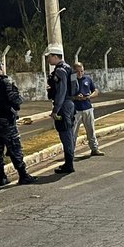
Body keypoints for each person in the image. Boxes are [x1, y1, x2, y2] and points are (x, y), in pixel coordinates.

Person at [0, 60, 36, 186]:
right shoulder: (4, 83)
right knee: (14, 148)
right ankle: (23, 175)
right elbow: (16, 100)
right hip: (6, 122)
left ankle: (2, 177)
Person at [46, 46, 78, 174]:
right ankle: (69, 162)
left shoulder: (60, 71)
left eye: (49, 57)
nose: (48, 59)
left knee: (65, 134)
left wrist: (55, 109)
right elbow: (75, 87)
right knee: (69, 133)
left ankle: (69, 164)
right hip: (70, 103)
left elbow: (61, 91)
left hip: (63, 105)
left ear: (55, 56)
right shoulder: (70, 69)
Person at [72, 62, 104, 156]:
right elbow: (67, 96)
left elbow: (95, 91)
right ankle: (71, 151)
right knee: (73, 132)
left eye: (81, 71)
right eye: (77, 71)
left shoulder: (88, 79)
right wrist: (75, 97)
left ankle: (94, 148)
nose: (80, 73)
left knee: (91, 130)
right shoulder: (71, 81)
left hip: (87, 108)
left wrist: (89, 96)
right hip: (75, 109)